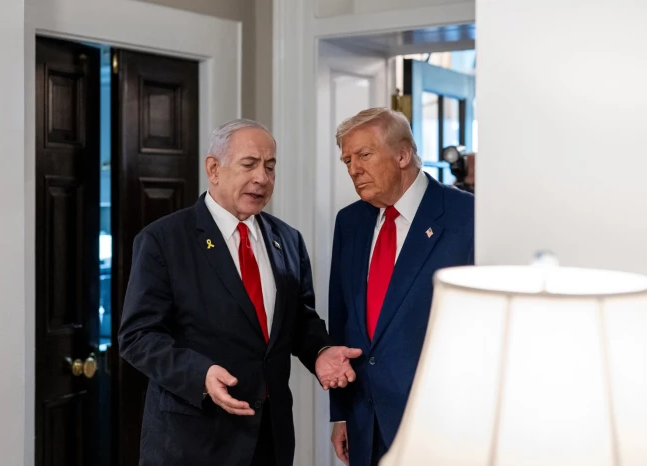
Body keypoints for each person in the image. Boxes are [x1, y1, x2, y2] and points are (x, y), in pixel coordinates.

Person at [118, 119, 362, 466]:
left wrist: (320, 351)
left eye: (270, 167)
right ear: (213, 169)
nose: (262, 178)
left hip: (270, 438)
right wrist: (200, 375)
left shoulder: (288, 239)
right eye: (249, 164)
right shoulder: (163, 240)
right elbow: (137, 336)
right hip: (193, 440)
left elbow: (298, 321)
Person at [328, 108, 474, 466]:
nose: (353, 169)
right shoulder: (349, 222)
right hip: (365, 422)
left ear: (403, 155)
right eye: (347, 160)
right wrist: (342, 413)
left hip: (439, 425)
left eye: (364, 155)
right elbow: (341, 320)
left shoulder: (468, 217)